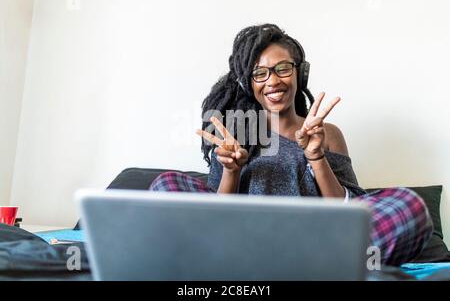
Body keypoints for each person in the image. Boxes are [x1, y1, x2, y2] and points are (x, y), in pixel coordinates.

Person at [149, 24, 432, 266]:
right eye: (260, 73)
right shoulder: (235, 133)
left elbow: (352, 217)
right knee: (165, 186)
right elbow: (213, 222)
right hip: (243, 247)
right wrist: (231, 171)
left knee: (410, 207)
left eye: (282, 68)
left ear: (300, 73)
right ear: (249, 83)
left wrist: (316, 157)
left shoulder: (328, 133)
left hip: (316, 249)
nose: (272, 80)